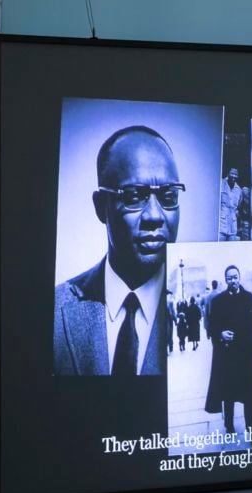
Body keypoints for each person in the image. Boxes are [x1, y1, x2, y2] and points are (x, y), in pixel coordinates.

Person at [53, 125, 183, 375]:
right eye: (134, 196)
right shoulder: (53, 314)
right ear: (101, 207)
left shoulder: (185, 309)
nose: (155, 216)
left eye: (168, 196)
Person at [205, 265, 252, 438]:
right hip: (228, 355)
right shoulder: (218, 301)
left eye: (235, 277)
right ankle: (229, 425)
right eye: (229, 278)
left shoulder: (249, 298)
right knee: (229, 392)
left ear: (239, 278)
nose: (233, 280)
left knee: (250, 394)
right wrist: (220, 334)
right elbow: (212, 325)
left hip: (247, 353)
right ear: (226, 280)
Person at [219, 168, 242, 241]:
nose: (234, 176)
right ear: (228, 174)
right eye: (232, 173)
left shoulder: (238, 190)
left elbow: (238, 207)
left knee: (231, 249)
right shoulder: (221, 184)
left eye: (236, 175)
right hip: (221, 225)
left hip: (233, 226)